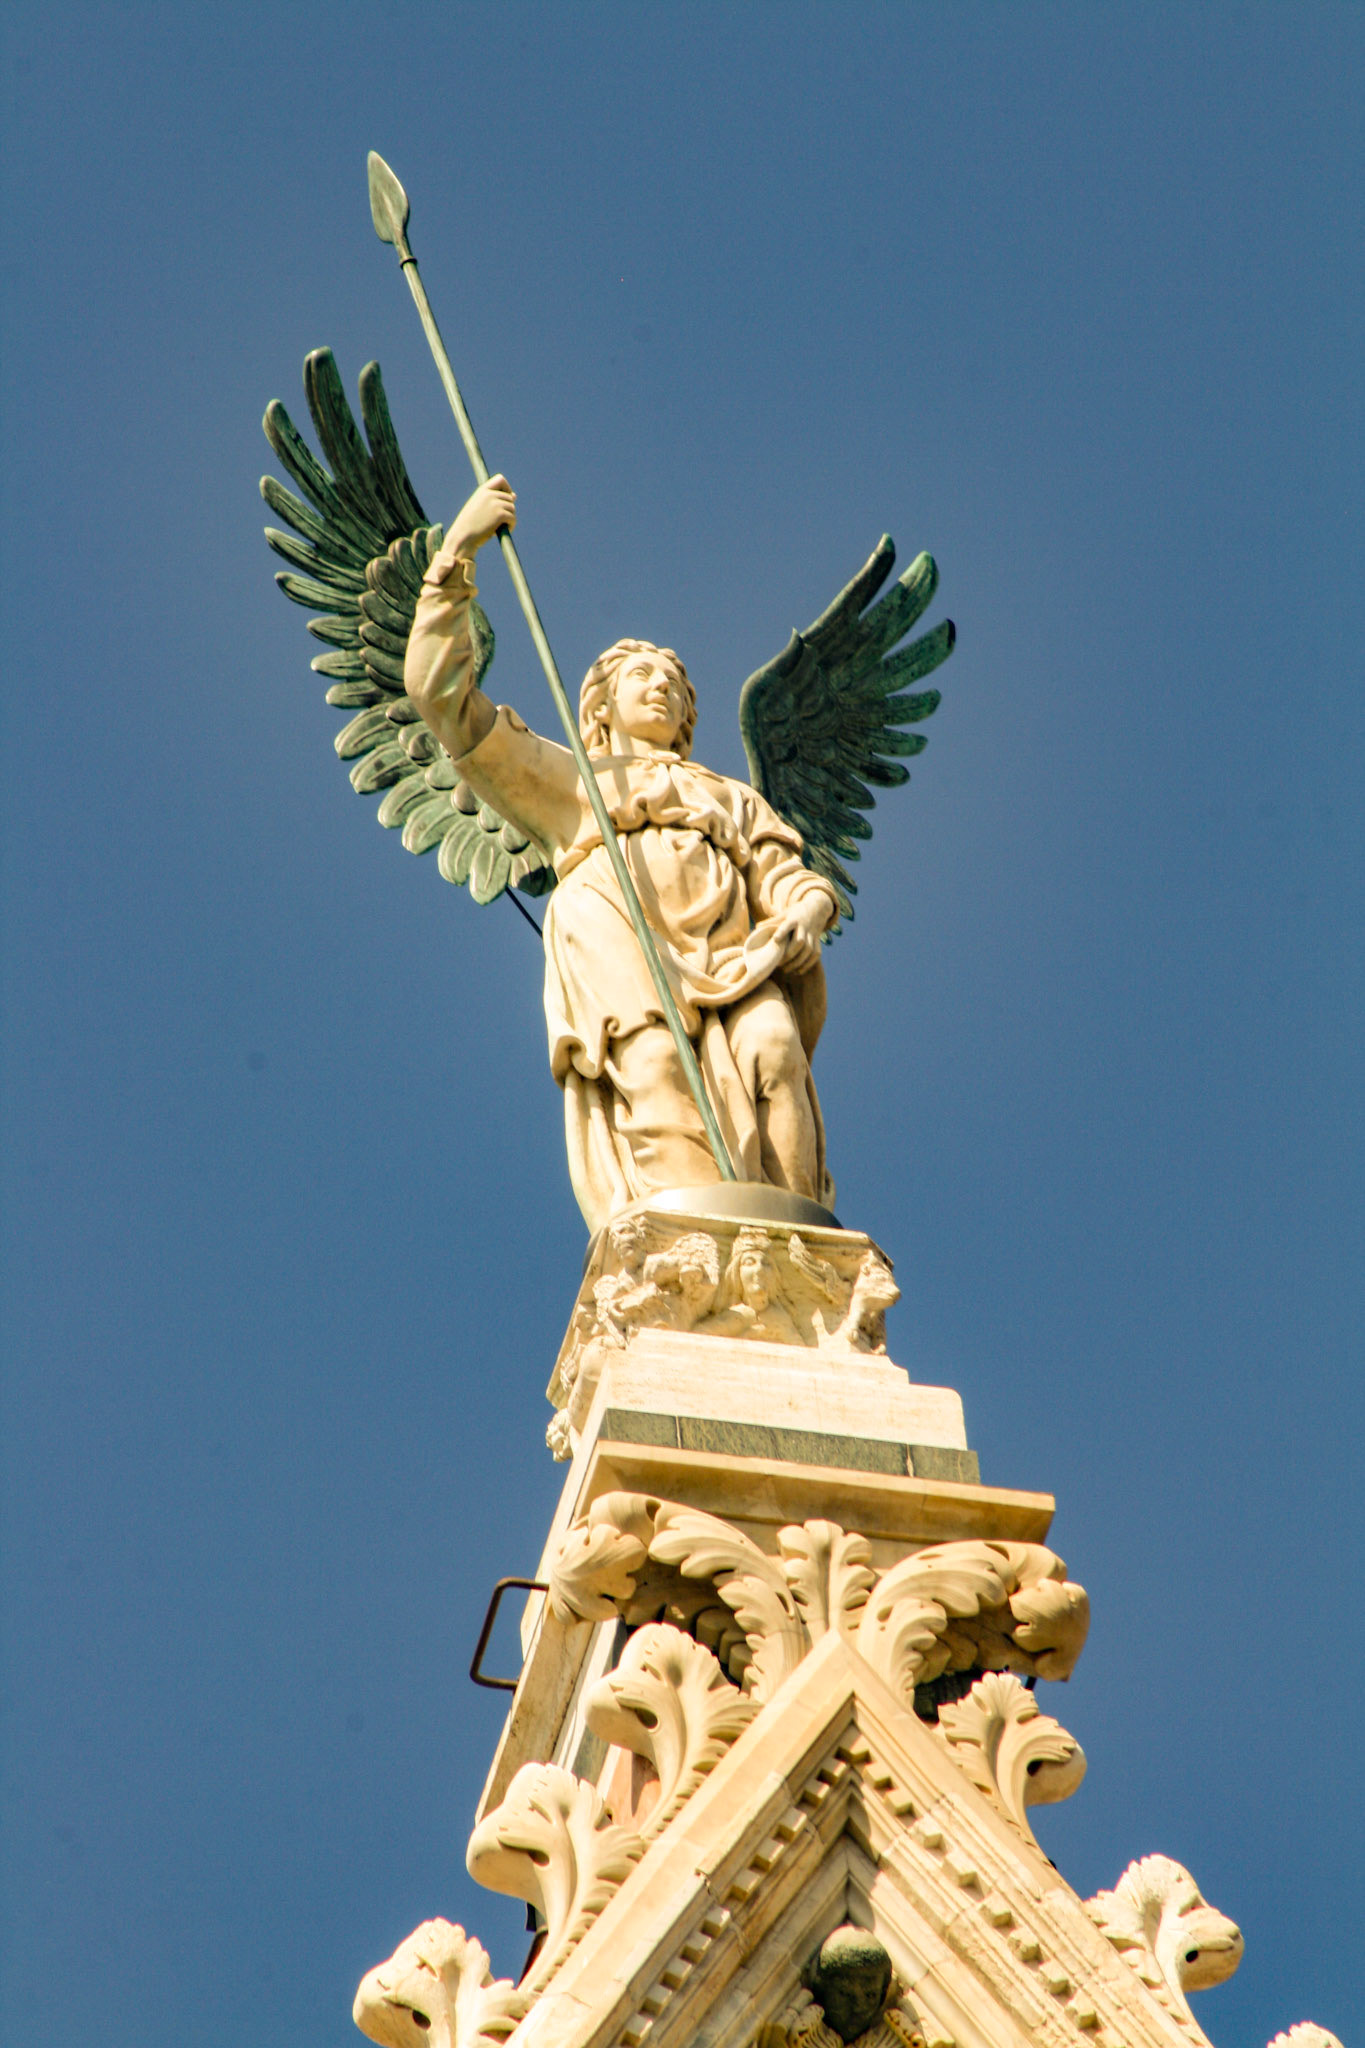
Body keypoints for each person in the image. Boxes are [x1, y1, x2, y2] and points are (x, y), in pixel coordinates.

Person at [404, 475, 839, 1231]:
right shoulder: (567, 777)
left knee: (774, 1048)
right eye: (642, 675)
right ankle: (687, 1248)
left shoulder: (727, 795)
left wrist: (806, 912)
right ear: (598, 706)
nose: (662, 689)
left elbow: (789, 875)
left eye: (674, 683)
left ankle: (797, 1243)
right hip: (611, 924)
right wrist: (456, 553)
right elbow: (442, 702)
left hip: (736, 948)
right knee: (656, 1068)